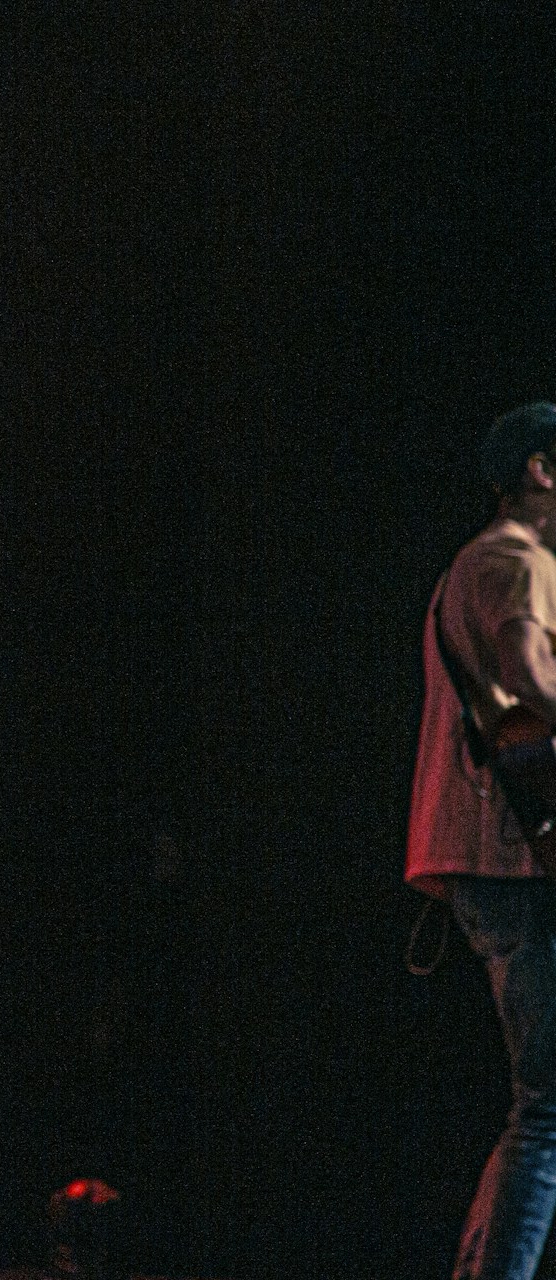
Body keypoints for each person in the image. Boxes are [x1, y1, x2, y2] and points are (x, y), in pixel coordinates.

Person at [409, 401, 556, 1279]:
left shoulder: (480, 562)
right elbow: (530, 678)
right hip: (513, 854)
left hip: (490, 855)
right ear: (541, 469)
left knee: (539, 1107)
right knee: (547, 1112)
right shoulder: (514, 557)